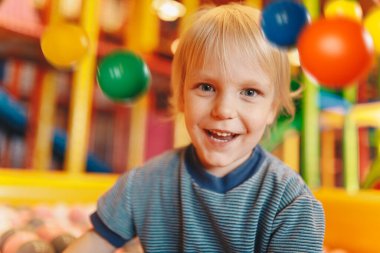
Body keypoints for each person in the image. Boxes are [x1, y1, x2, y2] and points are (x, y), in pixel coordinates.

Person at [64, 3, 325, 253]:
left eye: (249, 92)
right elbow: (94, 242)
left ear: (272, 109)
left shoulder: (289, 203)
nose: (223, 110)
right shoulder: (144, 186)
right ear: (180, 97)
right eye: (207, 87)